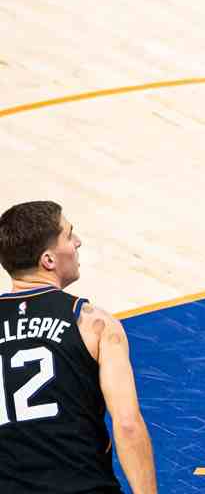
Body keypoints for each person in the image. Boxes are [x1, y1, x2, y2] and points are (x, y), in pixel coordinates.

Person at [0, 200, 158, 494]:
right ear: (48, 260)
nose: (77, 242)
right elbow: (126, 424)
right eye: (68, 235)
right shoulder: (94, 323)